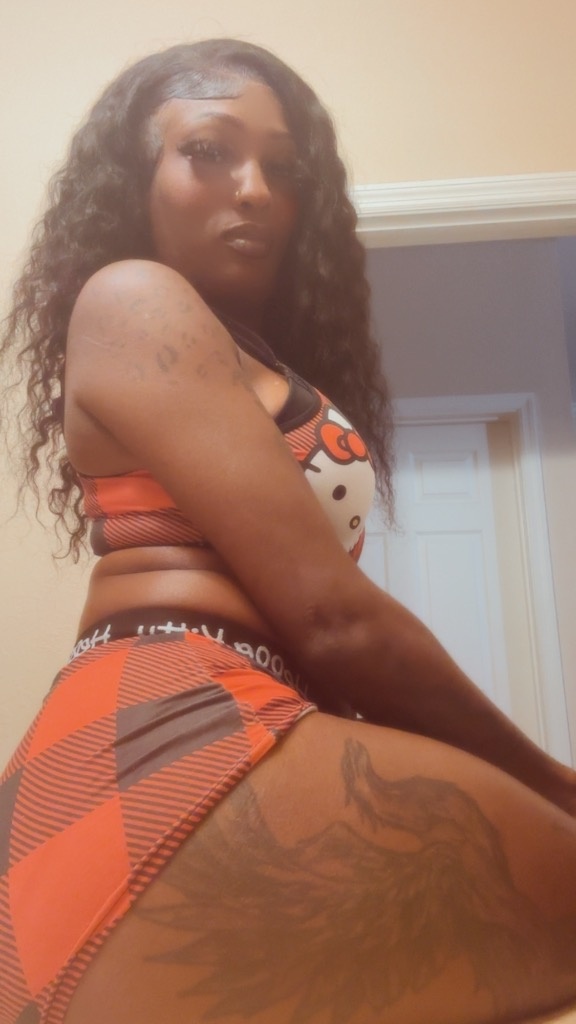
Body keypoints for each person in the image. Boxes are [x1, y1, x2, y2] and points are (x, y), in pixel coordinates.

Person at [0, 37, 576, 1024]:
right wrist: (555, 781)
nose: (256, 189)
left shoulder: (244, 351)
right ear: (135, 175)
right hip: (169, 727)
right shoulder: (133, 294)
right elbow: (332, 617)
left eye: (284, 167)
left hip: (228, 718)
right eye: (209, 150)